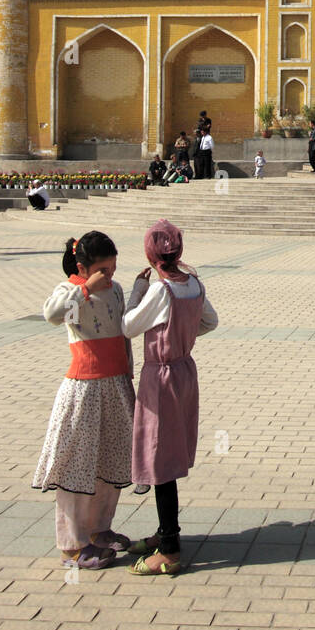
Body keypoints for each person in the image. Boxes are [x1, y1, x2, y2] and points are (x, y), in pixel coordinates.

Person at [32, 231, 135, 569]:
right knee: (78, 467)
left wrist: (128, 375)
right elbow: (51, 313)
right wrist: (87, 287)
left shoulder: (116, 290)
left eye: (113, 268)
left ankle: (99, 529)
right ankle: (73, 545)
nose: (110, 276)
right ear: (83, 267)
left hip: (116, 385)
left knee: (111, 461)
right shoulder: (71, 291)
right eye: (103, 269)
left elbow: (123, 332)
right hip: (84, 388)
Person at [122, 219, 218, 575]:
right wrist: (183, 335)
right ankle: (165, 530)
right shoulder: (193, 283)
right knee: (169, 451)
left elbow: (128, 326)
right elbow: (211, 322)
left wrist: (135, 291)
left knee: (159, 458)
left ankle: (170, 548)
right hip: (184, 371)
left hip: (159, 375)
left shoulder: (160, 291)